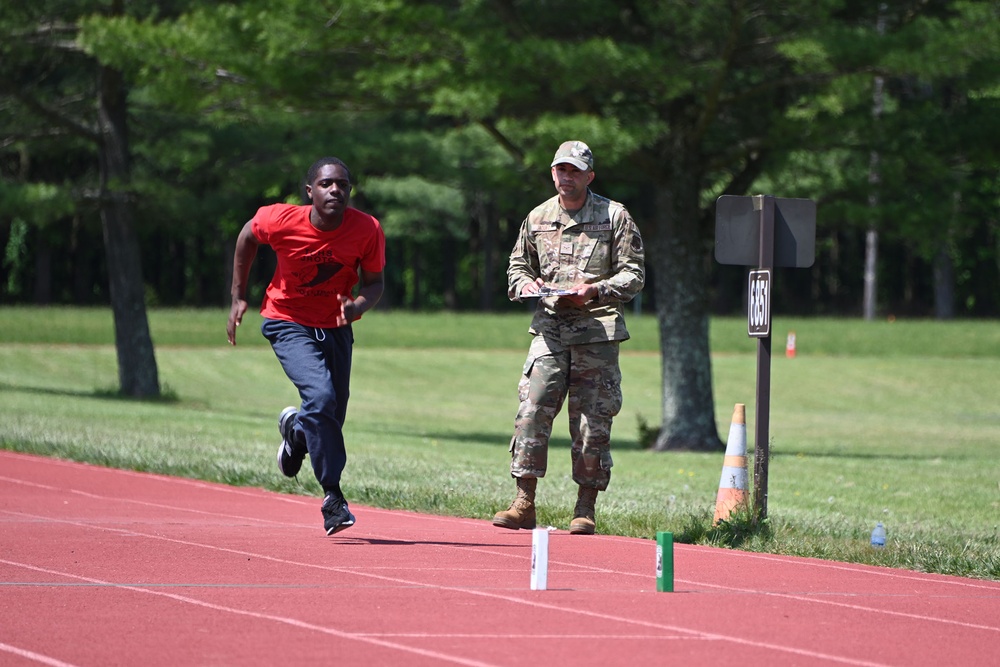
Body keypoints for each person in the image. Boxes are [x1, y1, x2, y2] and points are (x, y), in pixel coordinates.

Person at [492, 140, 645, 535]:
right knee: (532, 410)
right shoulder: (538, 216)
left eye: (575, 171)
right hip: (550, 329)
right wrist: (527, 284)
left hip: (596, 331)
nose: (567, 177)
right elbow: (517, 265)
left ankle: (585, 505)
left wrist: (595, 290)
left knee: (592, 423)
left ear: (589, 176)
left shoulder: (615, 216)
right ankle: (524, 501)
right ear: (552, 173)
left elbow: (634, 274)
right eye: (561, 169)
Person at [227, 156, 385, 536]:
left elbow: (374, 283)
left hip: (335, 326)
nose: (336, 190)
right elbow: (247, 236)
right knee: (321, 395)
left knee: (329, 415)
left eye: (343, 185)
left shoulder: (366, 229)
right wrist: (237, 295)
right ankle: (333, 497)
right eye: (328, 184)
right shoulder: (279, 220)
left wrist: (357, 307)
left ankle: (296, 431)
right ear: (310, 191)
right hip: (287, 321)